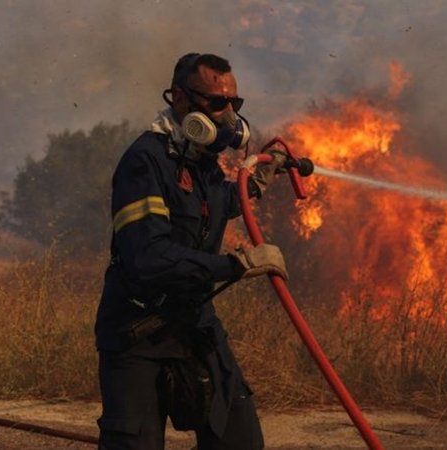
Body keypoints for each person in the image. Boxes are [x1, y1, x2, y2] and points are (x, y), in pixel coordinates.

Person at [94, 53, 289, 450]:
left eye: (234, 104)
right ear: (180, 100)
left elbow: (208, 206)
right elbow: (148, 257)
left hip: (194, 323)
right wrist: (235, 264)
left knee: (240, 440)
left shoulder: (205, 164)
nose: (228, 116)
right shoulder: (145, 161)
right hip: (138, 332)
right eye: (217, 104)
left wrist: (252, 187)